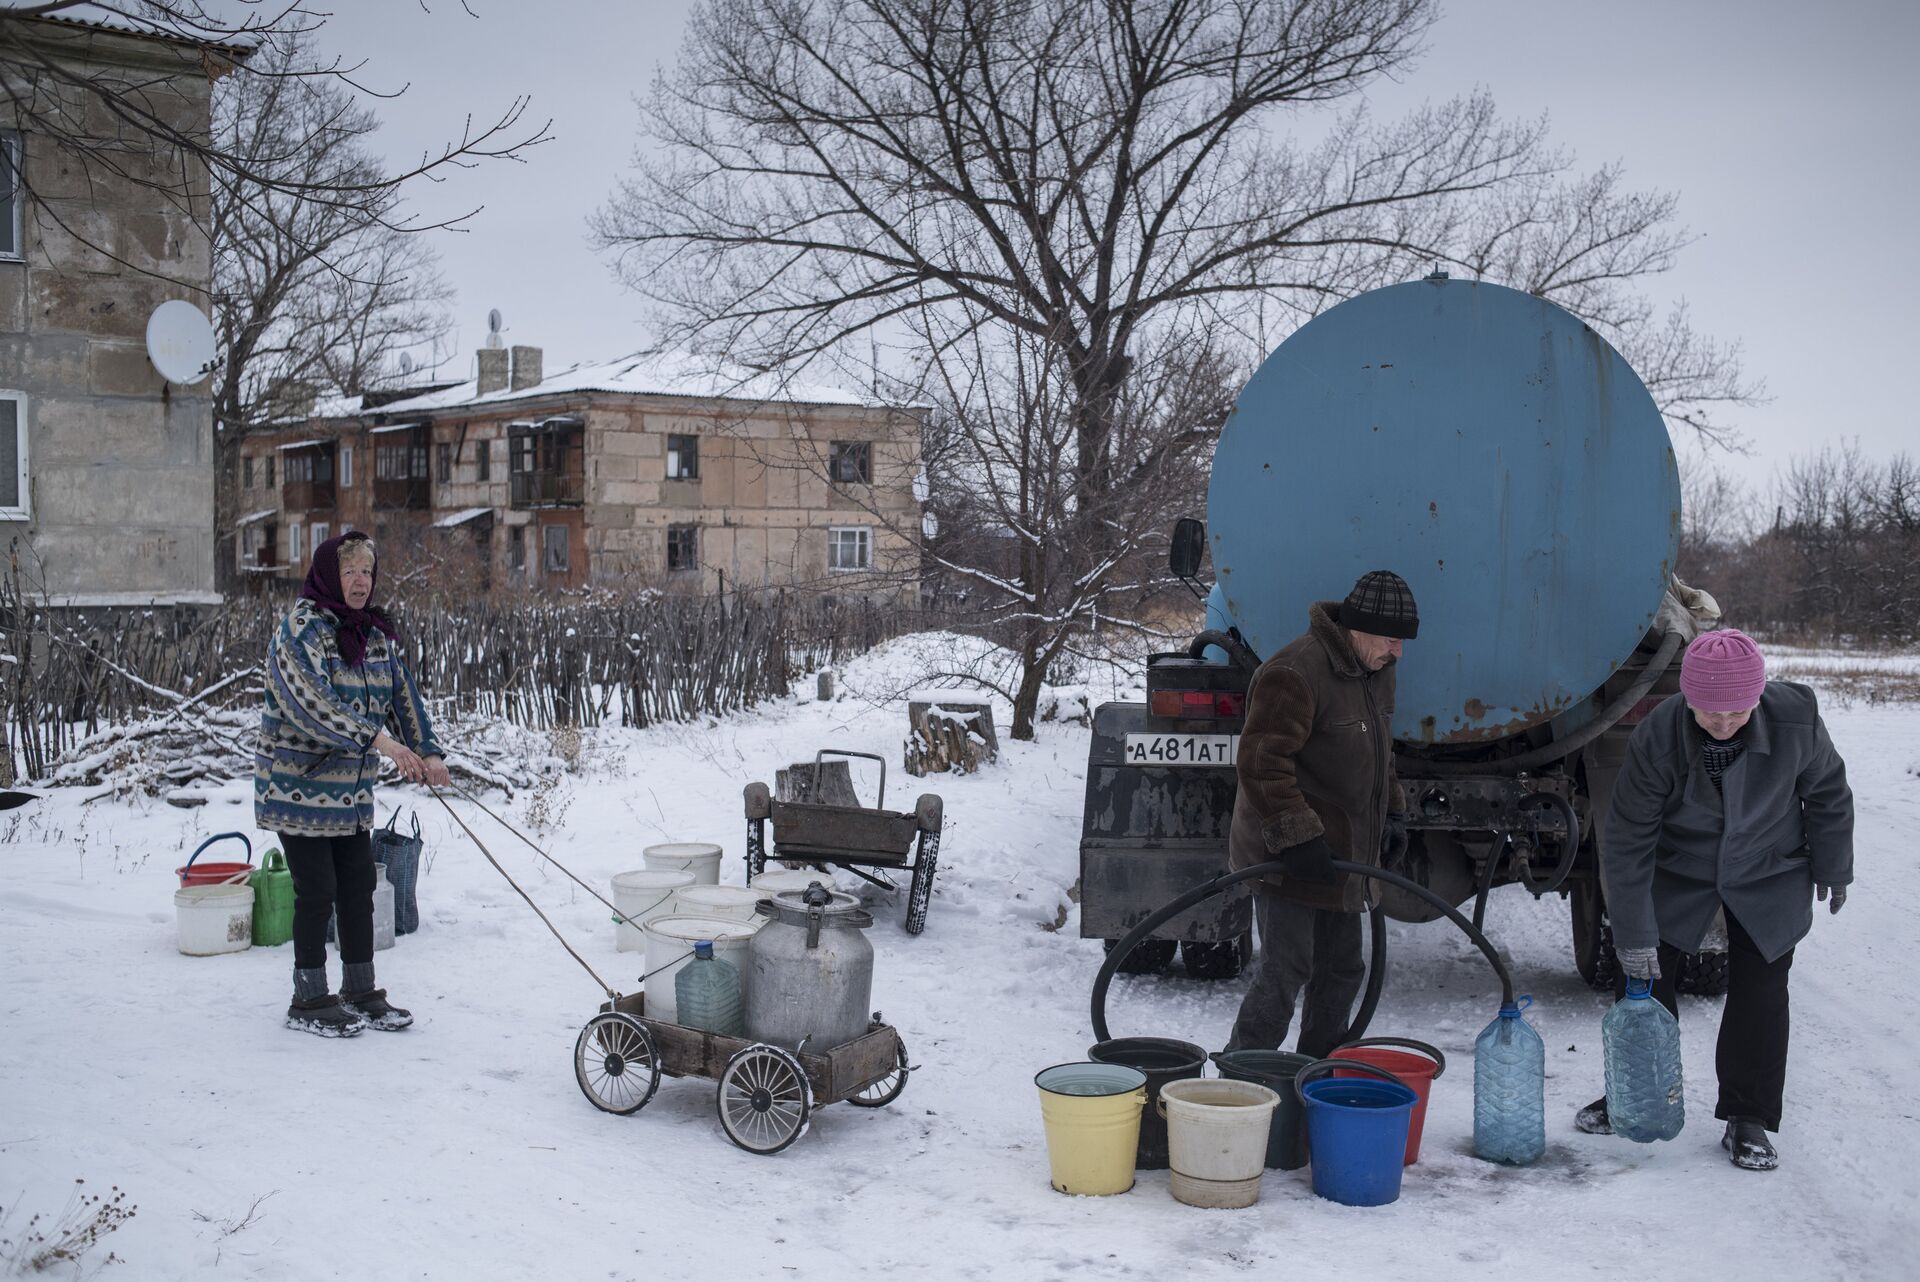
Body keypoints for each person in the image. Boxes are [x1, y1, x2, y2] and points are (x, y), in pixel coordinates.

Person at [1579, 628, 1853, 1170]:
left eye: (1737, 712)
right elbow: (1628, 840)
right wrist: (1632, 936)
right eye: (1708, 713)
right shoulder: (1658, 733)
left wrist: (1833, 865)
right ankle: (1635, 1096)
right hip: (1681, 869)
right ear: (1687, 699)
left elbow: (1828, 793)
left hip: (1768, 868)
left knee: (1763, 988)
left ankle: (1747, 1118)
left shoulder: (1797, 719)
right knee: (1642, 981)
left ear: (1758, 695)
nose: (1723, 723)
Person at [256, 532, 452, 1037]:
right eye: (350, 571)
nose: (361, 581)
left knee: (359, 886)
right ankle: (309, 998)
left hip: (349, 793)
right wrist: (383, 743)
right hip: (297, 789)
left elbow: (401, 692)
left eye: (367, 570)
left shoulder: (372, 635)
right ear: (329, 575)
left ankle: (361, 990)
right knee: (317, 890)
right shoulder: (300, 630)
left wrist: (426, 750)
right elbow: (311, 706)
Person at [1225, 570, 1417, 1056]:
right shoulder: (1294, 673)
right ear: (1359, 629)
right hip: (1289, 858)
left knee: (1342, 971)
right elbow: (1261, 763)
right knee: (1284, 973)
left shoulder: (1376, 672)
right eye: (1392, 640)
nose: (1398, 652)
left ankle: (1315, 1083)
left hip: (1340, 856)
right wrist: (1295, 836)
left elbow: (1380, 753)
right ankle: (1242, 1086)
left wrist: (1393, 813)